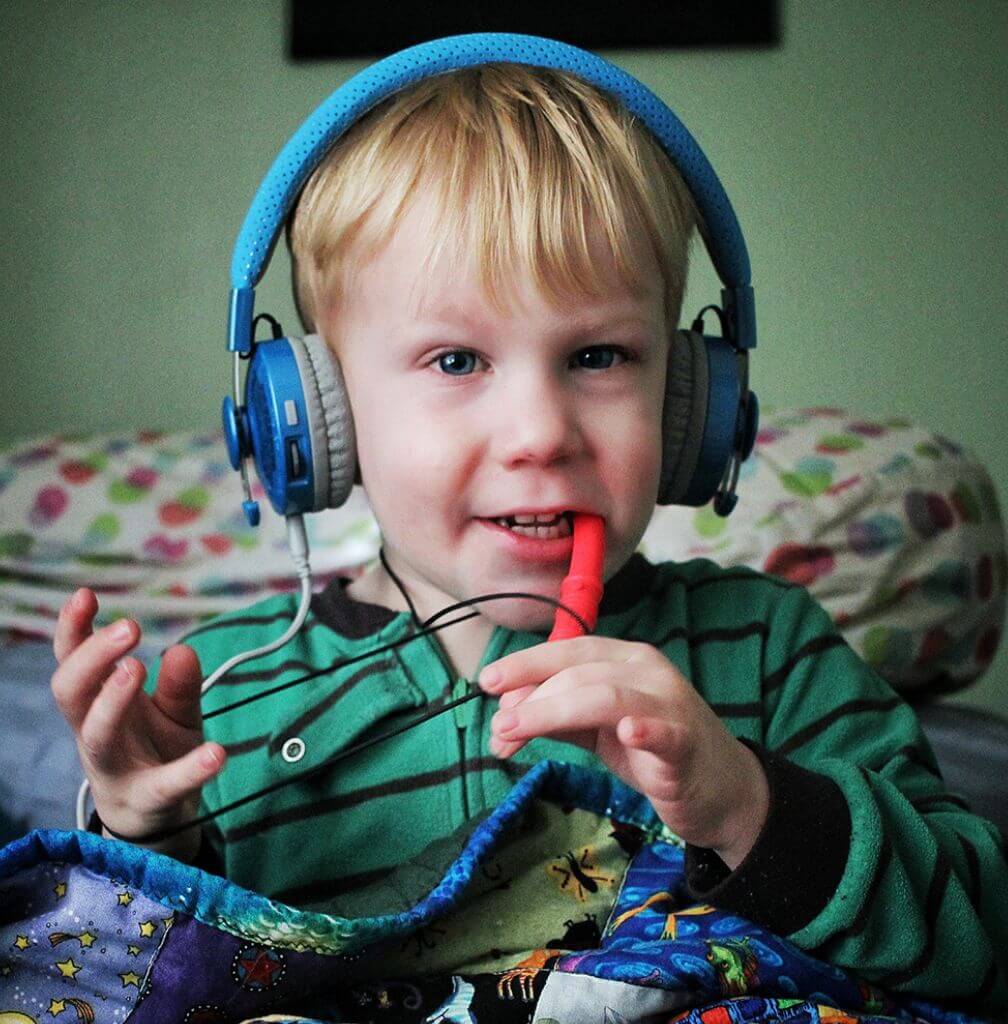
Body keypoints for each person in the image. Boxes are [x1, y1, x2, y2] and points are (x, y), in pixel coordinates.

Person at [49, 56, 1006, 1013]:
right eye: (457, 359)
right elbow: (128, 986)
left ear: (688, 408)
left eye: (598, 356)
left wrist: (745, 802)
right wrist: (147, 829)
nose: (542, 431)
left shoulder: (766, 649)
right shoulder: (226, 696)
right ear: (314, 415)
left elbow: (984, 940)